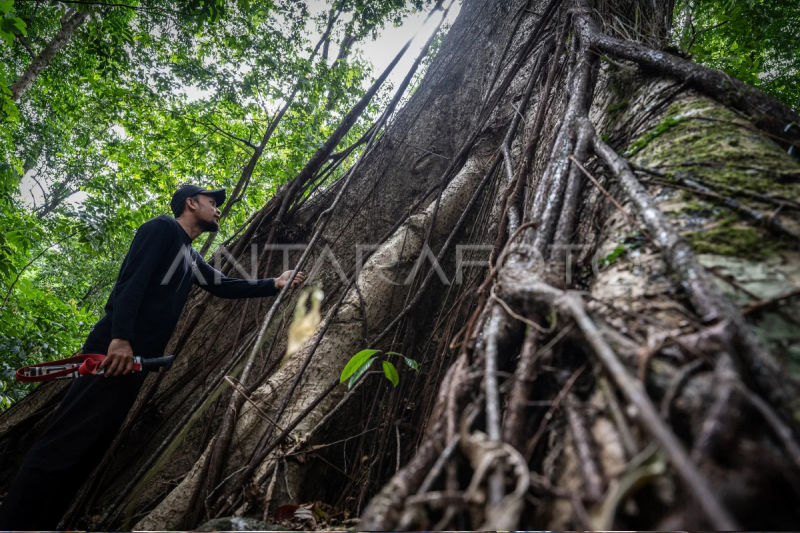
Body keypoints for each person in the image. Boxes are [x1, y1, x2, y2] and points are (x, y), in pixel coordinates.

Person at [0, 184, 305, 530]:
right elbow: (131, 282)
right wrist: (120, 338)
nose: (218, 208)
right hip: (111, 354)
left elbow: (221, 284)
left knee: (88, 450)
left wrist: (273, 283)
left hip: (133, 365)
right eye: (211, 202)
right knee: (65, 441)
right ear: (191, 203)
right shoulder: (161, 228)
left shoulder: (189, 253)